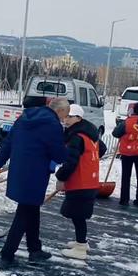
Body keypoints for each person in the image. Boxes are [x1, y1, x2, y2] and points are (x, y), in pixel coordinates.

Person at [0, 97, 70, 267]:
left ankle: (34, 249)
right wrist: (67, 151)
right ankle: (7, 254)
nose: (65, 118)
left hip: (18, 171)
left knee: (31, 209)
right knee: (24, 212)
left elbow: (8, 142)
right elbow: (59, 155)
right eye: (65, 114)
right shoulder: (53, 125)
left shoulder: (24, 117)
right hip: (36, 174)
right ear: (60, 111)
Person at [55, 104, 107, 260]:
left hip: (80, 182)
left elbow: (70, 162)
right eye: (65, 116)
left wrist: (61, 177)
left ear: (79, 118)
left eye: (69, 116)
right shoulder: (90, 133)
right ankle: (81, 243)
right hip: (89, 181)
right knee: (78, 215)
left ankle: (81, 247)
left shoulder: (77, 136)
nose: (66, 119)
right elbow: (101, 150)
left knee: (77, 215)